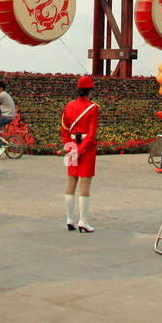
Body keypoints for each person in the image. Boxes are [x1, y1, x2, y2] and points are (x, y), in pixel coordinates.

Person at [61, 75, 99, 233]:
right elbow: (91, 134)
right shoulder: (93, 108)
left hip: (71, 147)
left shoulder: (68, 106)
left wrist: (70, 148)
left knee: (71, 183)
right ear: (89, 91)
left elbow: (64, 129)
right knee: (85, 185)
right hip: (86, 149)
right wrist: (81, 150)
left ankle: (70, 219)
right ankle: (83, 221)